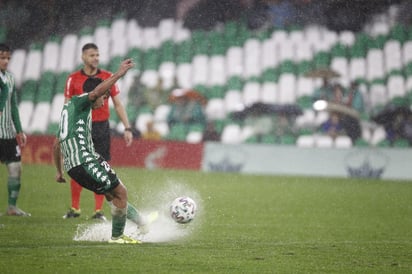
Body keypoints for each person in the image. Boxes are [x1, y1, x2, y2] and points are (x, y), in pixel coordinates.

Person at [54, 59, 153, 244]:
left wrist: (59, 171)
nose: (104, 100)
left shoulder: (68, 109)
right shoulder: (82, 101)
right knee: (121, 192)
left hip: (73, 167)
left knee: (110, 193)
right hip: (85, 162)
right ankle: (117, 237)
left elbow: (56, 143)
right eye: (104, 96)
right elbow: (96, 92)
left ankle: (141, 222)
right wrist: (119, 74)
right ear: (94, 94)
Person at [63, 43, 133, 221]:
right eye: (92, 55)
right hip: (81, 127)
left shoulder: (107, 77)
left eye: (97, 55)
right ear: (83, 57)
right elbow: (67, 104)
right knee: (80, 164)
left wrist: (127, 127)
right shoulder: (73, 79)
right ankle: (75, 207)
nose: (96, 58)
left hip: (101, 126)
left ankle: (98, 210)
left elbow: (117, 103)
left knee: (102, 165)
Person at [0, 43, 30, 216]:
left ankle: (12, 207)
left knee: (16, 168)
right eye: (2, 58)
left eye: (8, 58)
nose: (6, 61)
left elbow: (13, 106)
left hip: (8, 133)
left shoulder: (10, 78)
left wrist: (19, 130)